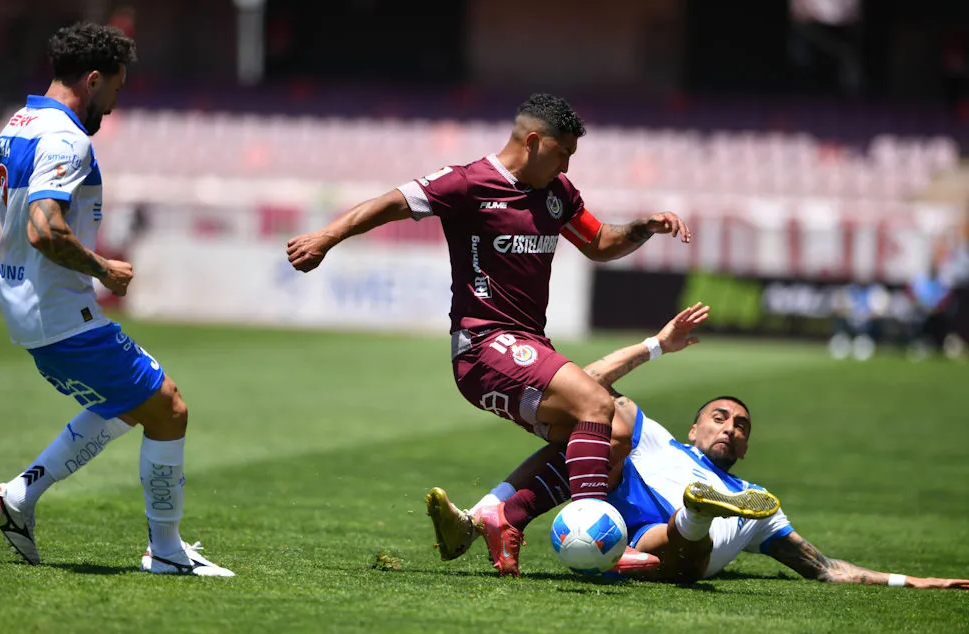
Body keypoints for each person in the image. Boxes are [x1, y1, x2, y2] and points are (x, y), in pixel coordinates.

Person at [288, 93, 690, 575]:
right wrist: (326, 238)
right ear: (535, 141)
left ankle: (505, 517)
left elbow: (600, 243)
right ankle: (596, 531)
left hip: (527, 346)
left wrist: (644, 227)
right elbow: (391, 203)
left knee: (616, 433)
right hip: (484, 346)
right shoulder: (467, 182)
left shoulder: (557, 192)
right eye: (563, 152)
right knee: (596, 405)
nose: (567, 164)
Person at [0, 22, 232, 577]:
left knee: (128, 405)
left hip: (28, 314)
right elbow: (44, 229)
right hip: (62, 315)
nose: (114, 104)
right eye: (116, 90)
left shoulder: (15, 128)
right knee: (169, 409)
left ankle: (18, 497)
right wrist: (104, 269)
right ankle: (167, 552)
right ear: (94, 79)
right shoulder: (67, 139)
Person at [427, 304, 969, 589]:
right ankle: (479, 521)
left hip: (674, 551)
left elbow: (824, 567)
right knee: (607, 416)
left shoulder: (757, 499)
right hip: (626, 525)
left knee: (687, 545)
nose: (730, 427)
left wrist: (912, 580)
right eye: (719, 417)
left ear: (747, 448)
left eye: (741, 426)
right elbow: (583, 383)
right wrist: (656, 347)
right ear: (693, 429)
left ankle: (695, 513)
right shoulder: (656, 438)